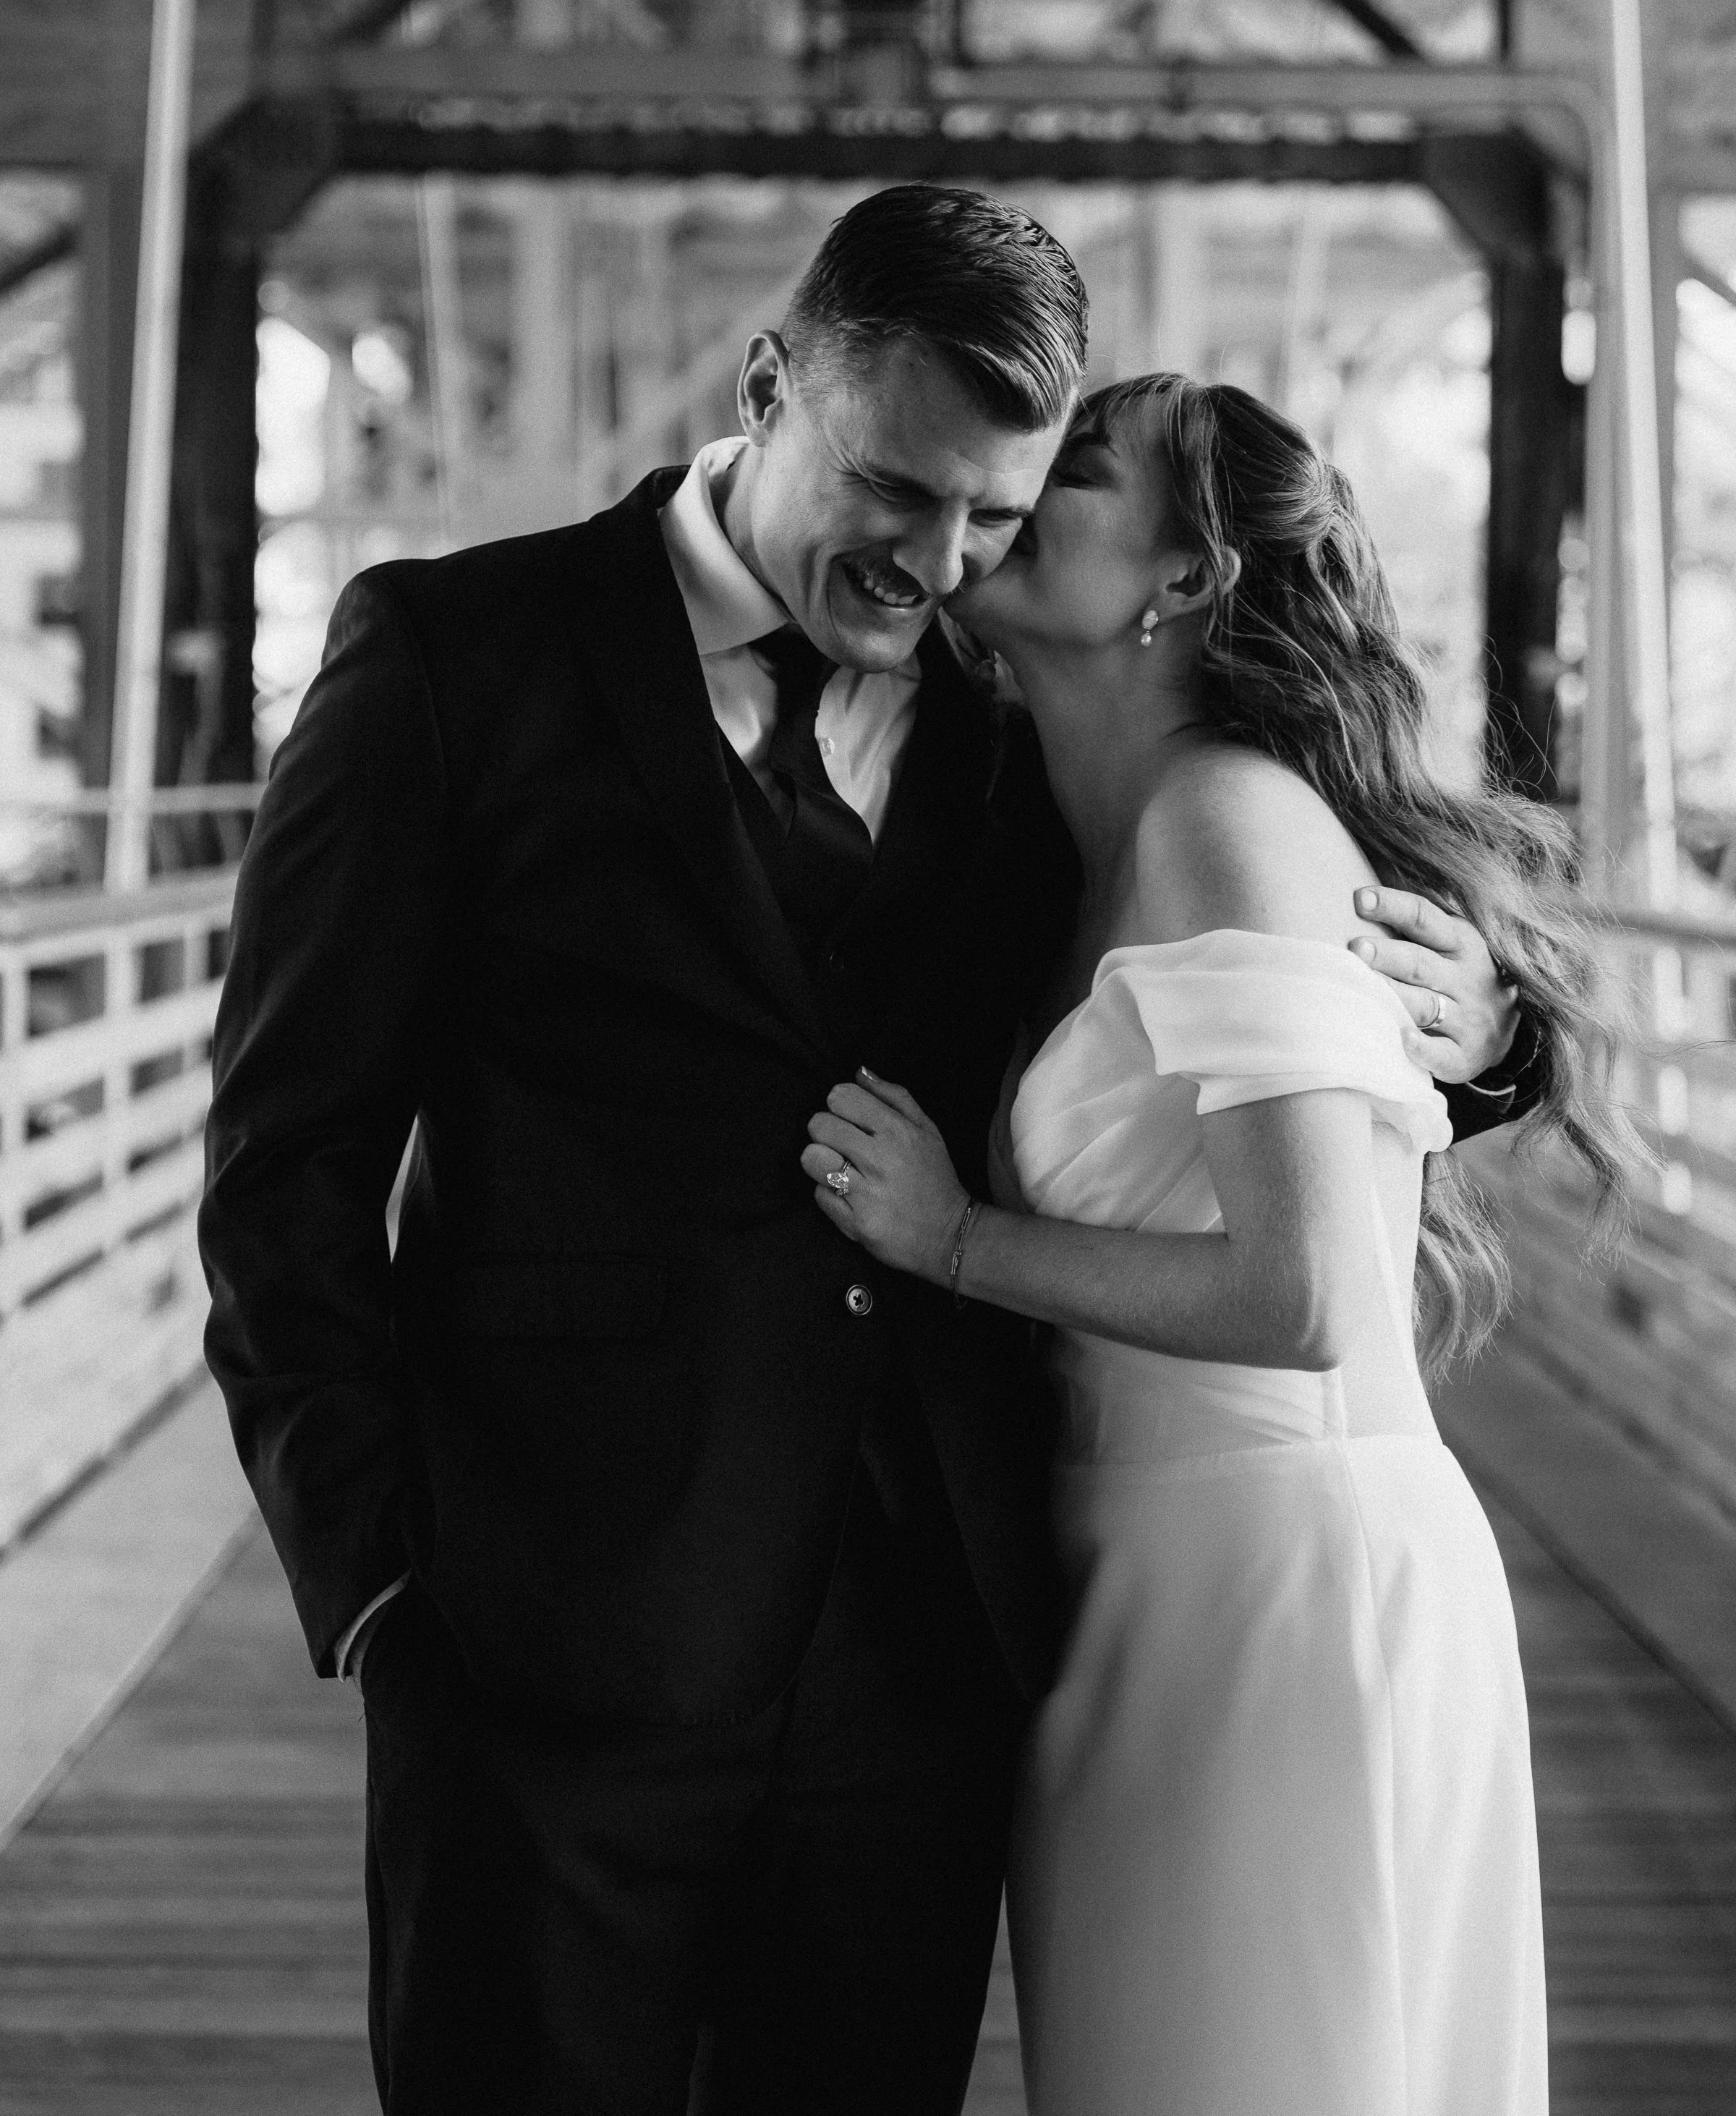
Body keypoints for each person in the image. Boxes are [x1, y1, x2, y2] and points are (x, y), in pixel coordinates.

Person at [201, 191, 1531, 2116]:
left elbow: (1244, 1003)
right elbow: (285, 1165)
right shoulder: (455, 659)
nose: (936, 561)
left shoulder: (1023, 729)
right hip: (541, 1657)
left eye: (993, 518)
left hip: (920, 1679)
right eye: (898, 491)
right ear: (771, 382)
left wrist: (1483, 1029)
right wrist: (382, 1592)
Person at [804, 370, 1633, 2116]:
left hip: (1280, 1573)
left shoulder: (1220, 820)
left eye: (1080, 470)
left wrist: (955, 1236)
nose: (1023, 494)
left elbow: (1315, 1289)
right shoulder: (1058, 831)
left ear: (1182, 581)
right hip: (1134, 1581)